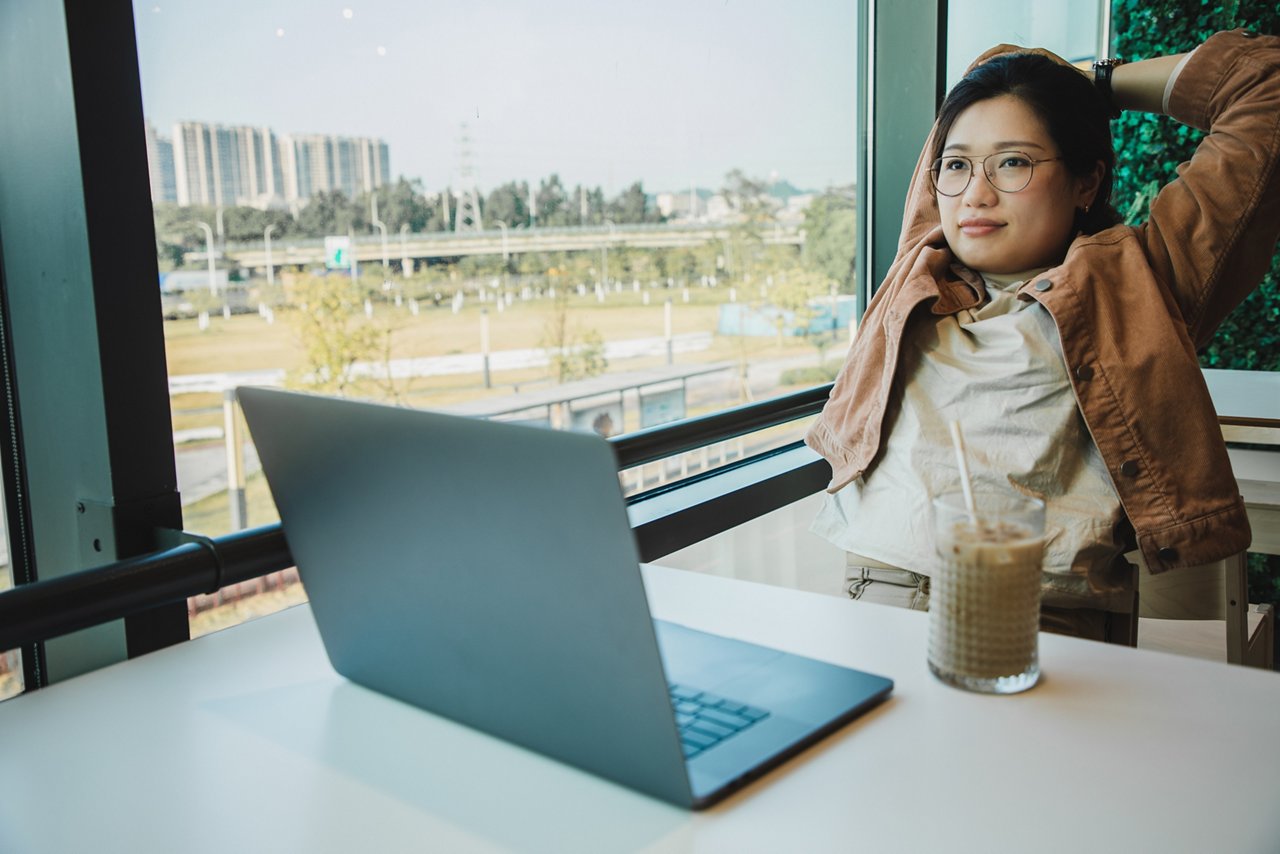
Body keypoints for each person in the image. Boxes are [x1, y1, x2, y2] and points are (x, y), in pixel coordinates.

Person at [806, 29, 1280, 643]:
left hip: (1042, 616)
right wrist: (1046, 88)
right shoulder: (921, 261)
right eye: (956, 164)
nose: (976, 192)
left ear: (1086, 183)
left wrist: (1098, 86)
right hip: (879, 590)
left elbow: (1266, 82)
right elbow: (993, 69)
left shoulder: (1145, 283)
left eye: (1014, 162)